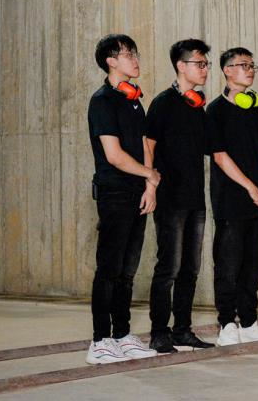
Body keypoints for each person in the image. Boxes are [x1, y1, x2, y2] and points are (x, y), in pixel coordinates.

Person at [86, 34, 159, 364]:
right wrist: (149, 175)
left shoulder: (134, 100)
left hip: (137, 193)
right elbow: (113, 155)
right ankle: (100, 340)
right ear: (111, 61)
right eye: (128, 54)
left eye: (135, 53)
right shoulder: (102, 101)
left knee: (128, 271)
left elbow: (144, 145)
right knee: (110, 268)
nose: (135, 59)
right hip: (114, 192)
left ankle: (122, 334)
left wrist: (150, 186)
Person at [145, 39, 215, 353]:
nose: (205, 69)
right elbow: (148, 146)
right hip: (170, 199)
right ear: (180, 66)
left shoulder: (198, 107)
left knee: (191, 269)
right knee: (168, 268)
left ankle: (182, 330)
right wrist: (150, 185)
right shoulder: (162, 103)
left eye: (206, 64)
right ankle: (159, 332)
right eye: (199, 64)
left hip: (195, 199)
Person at [206, 47, 258, 345]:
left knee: (254, 263)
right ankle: (226, 324)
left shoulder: (253, 109)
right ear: (227, 70)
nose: (249, 70)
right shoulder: (215, 110)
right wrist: (249, 187)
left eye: (252, 66)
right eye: (243, 65)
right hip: (231, 200)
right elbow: (220, 156)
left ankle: (248, 322)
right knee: (228, 263)